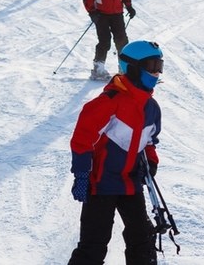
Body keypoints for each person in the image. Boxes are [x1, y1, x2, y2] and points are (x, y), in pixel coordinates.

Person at [67, 39, 164, 264]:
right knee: (94, 244)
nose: (157, 73)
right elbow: (82, 139)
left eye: (160, 66)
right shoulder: (109, 102)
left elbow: (149, 140)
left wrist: (151, 161)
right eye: (151, 66)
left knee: (143, 239)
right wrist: (82, 174)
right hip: (101, 183)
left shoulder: (151, 107)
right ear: (132, 68)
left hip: (130, 182)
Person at [82, 0, 135, 80]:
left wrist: (129, 6)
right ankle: (98, 68)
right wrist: (92, 12)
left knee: (122, 40)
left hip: (117, 13)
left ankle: (124, 67)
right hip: (101, 14)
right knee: (104, 41)